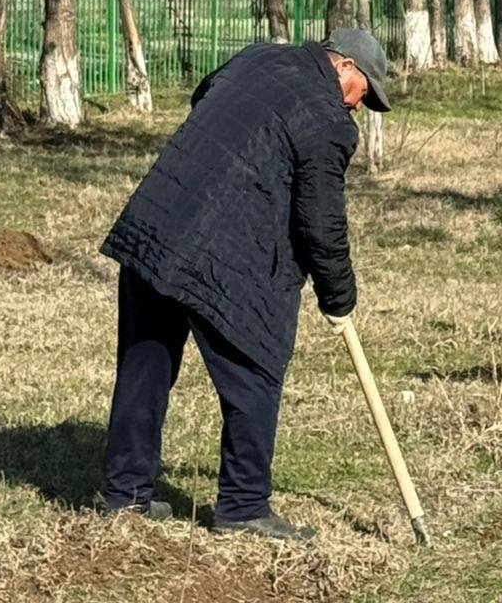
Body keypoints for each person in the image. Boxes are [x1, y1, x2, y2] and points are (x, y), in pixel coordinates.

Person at [96, 27, 391, 540]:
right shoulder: (327, 121)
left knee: (145, 365)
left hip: (156, 223)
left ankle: (125, 495)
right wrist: (339, 296)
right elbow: (321, 224)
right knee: (255, 369)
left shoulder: (257, 57)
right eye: (363, 93)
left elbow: (205, 100)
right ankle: (244, 506)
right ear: (344, 66)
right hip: (223, 257)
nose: (358, 106)